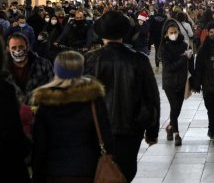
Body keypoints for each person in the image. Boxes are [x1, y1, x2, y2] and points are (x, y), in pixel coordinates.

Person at [84, 11, 160, 181]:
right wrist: (152, 131)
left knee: (102, 172)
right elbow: (152, 97)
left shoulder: (90, 60)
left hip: (97, 129)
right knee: (125, 172)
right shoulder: (139, 60)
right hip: (130, 127)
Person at [31, 51, 112, 183]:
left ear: (56, 71)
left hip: (53, 171)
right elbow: (106, 136)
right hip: (87, 169)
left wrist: (37, 174)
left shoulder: (45, 102)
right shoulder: (93, 99)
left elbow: (40, 143)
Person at [0, 37, 31, 182]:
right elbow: (13, 133)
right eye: (13, 48)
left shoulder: (41, 65)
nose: (18, 51)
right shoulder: (4, 89)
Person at [159, 19, 194, 146]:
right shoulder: (163, 48)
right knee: (174, 107)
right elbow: (169, 67)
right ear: (166, 34)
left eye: (175, 32)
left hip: (181, 81)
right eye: (171, 32)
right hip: (169, 82)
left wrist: (190, 58)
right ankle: (176, 134)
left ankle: (169, 127)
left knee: (177, 109)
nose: (173, 34)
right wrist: (184, 58)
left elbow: (190, 65)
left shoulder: (185, 46)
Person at [7, 32, 54, 104]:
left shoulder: (44, 64)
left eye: (21, 46)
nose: (18, 50)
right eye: (13, 47)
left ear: (27, 47)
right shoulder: (3, 69)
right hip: (11, 113)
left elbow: (54, 90)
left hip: (39, 112)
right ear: (8, 49)